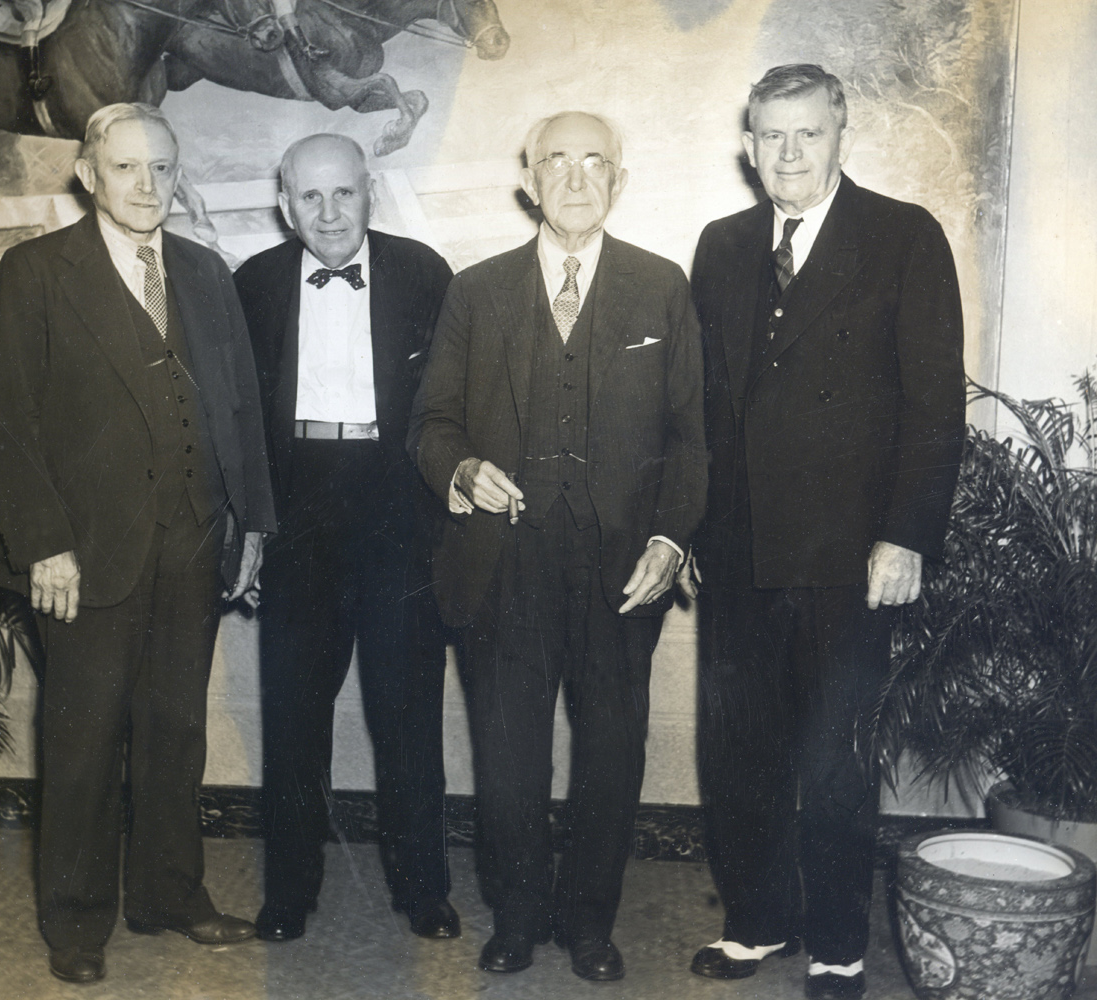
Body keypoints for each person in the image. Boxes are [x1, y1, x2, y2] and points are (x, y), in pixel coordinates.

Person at [0, 102, 276, 985]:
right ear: (88, 173)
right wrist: (43, 546)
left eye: (163, 169)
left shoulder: (205, 271)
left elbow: (240, 407)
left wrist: (252, 522)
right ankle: (74, 920)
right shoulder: (35, 273)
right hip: (83, 558)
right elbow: (4, 421)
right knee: (83, 739)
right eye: (128, 168)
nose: (148, 186)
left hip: (194, 543)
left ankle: (169, 895)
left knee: (176, 732)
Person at [683, 64, 965, 1000]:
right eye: (772, 135)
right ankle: (760, 925)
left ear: (842, 135)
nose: (789, 153)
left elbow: (933, 406)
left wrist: (908, 534)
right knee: (741, 754)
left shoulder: (902, 236)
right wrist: (684, 530)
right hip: (738, 552)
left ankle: (839, 945)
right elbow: (703, 411)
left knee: (833, 763)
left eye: (807, 133)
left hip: (850, 558)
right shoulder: (721, 245)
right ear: (748, 142)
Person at [409, 112, 707, 982]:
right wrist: (461, 468)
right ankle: (518, 915)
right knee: (509, 758)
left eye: (594, 163)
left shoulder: (662, 287)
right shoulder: (476, 289)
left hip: (622, 569)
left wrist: (668, 536)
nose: (575, 179)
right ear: (527, 181)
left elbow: (690, 436)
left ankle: (590, 926)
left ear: (620, 179)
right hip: (504, 562)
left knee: (612, 753)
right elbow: (431, 424)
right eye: (556, 163)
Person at [233, 133, 458, 943]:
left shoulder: (425, 272)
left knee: (407, 712)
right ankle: (290, 893)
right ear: (285, 202)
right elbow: (239, 423)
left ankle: (423, 888)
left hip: (397, 505)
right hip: (300, 510)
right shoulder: (253, 283)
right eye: (311, 197)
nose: (329, 214)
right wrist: (252, 527)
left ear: (371, 193)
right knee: (294, 716)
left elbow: (451, 406)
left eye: (345, 195)